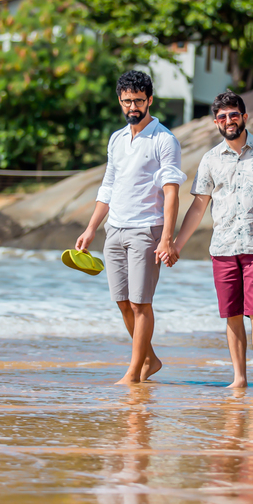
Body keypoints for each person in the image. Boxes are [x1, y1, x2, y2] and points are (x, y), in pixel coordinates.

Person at [172, 91, 253, 393]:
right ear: (215, 122)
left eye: (234, 115)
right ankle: (239, 378)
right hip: (222, 248)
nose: (228, 121)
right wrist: (177, 245)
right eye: (222, 117)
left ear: (244, 117)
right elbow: (198, 207)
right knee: (231, 315)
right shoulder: (210, 159)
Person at [76, 70, 185, 385]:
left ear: (149, 100)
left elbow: (171, 193)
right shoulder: (117, 139)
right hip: (114, 229)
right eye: (127, 101)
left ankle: (133, 373)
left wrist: (167, 239)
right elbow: (108, 186)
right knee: (122, 301)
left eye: (138, 100)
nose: (132, 107)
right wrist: (91, 228)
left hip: (146, 230)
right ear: (119, 101)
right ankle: (150, 360)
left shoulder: (164, 140)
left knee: (140, 303)